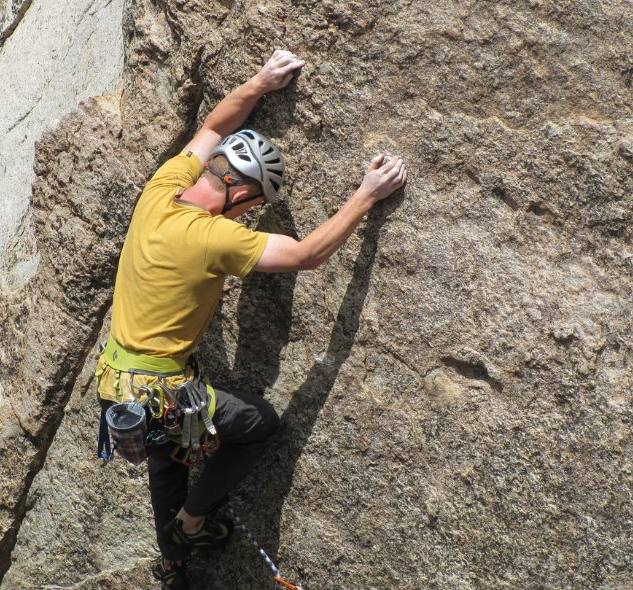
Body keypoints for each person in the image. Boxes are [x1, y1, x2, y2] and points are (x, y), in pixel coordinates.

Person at [92, 50, 407, 590]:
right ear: (239, 194)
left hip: (115, 387)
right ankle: (192, 524)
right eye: (249, 207)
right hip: (161, 394)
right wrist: (365, 196)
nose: (246, 216)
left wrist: (259, 82)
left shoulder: (161, 188)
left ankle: (175, 562)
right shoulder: (215, 236)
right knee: (259, 425)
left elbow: (213, 125)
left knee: (168, 464)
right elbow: (308, 254)